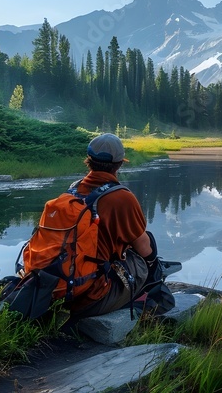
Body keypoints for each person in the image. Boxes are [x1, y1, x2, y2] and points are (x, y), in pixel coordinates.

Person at [66, 132, 157, 317]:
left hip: (64, 283)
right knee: (146, 249)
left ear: (89, 160)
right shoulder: (122, 197)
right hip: (91, 295)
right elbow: (143, 247)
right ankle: (150, 292)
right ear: (120, 163)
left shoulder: (73, 190)